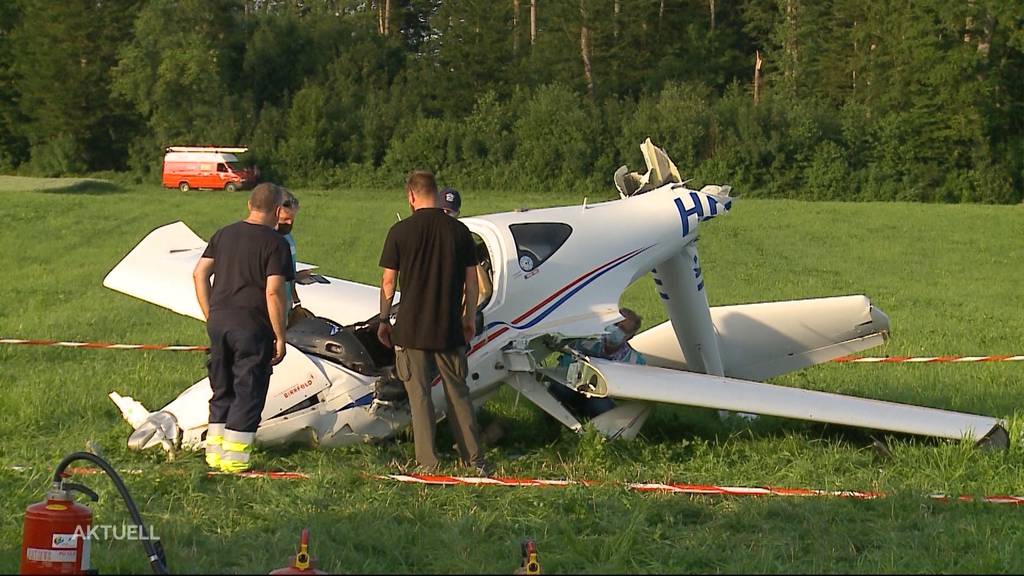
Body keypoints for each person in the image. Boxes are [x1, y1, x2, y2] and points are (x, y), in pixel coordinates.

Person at [377, 171, 489, 475]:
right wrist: (468, 319)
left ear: (411, 197)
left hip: (411, 330)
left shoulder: (399, 232)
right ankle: (474, 459)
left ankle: (428, 463)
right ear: (437, 195)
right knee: (458, 394)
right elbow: (472, 282)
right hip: (449, 328)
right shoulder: (459, 231)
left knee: (420, 397)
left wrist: (384, 319)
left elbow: (389, 282)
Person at [192, 183, 294, 473]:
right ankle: (235, 463)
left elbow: (200, 273)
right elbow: (274, 292)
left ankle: (213, 456)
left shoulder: (223, 234)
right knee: (248, 390)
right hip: (251, 325)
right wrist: (280, 336)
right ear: (277, 211)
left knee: (221, 388)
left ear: (250, 205)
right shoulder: (276, 244)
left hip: (219, 323)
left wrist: (211, 314)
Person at [552, 308, 647, 418]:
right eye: (615, 324)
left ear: (630, 336)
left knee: (601, 406)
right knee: (558, 387)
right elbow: (566, 353)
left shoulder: (634, 362)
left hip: (601, 395)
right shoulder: (587, 340)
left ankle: (589, 424)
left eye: (623, 329)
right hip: (573, 383)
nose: (616, 330)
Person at [276, 188, 310, 326]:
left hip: (286, 306)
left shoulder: (288, 237)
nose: (290, 223)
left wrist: (296, 302)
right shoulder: (267, 241)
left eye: (292, 219)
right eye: (286, 219)